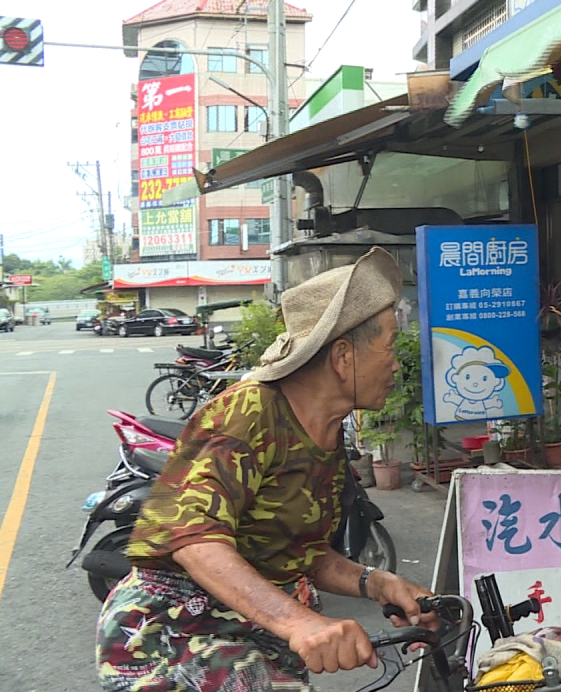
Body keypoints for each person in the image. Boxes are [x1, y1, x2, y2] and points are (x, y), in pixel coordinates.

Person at [97, 248, 435, 691]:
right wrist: (300, 624)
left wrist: (377, 583)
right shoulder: (248, 411)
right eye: (389, 346)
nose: (396, 363)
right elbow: (195, 540)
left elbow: (301, 554)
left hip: (251, 639)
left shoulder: (325, 431)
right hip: (171, 640)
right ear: (343, 357)